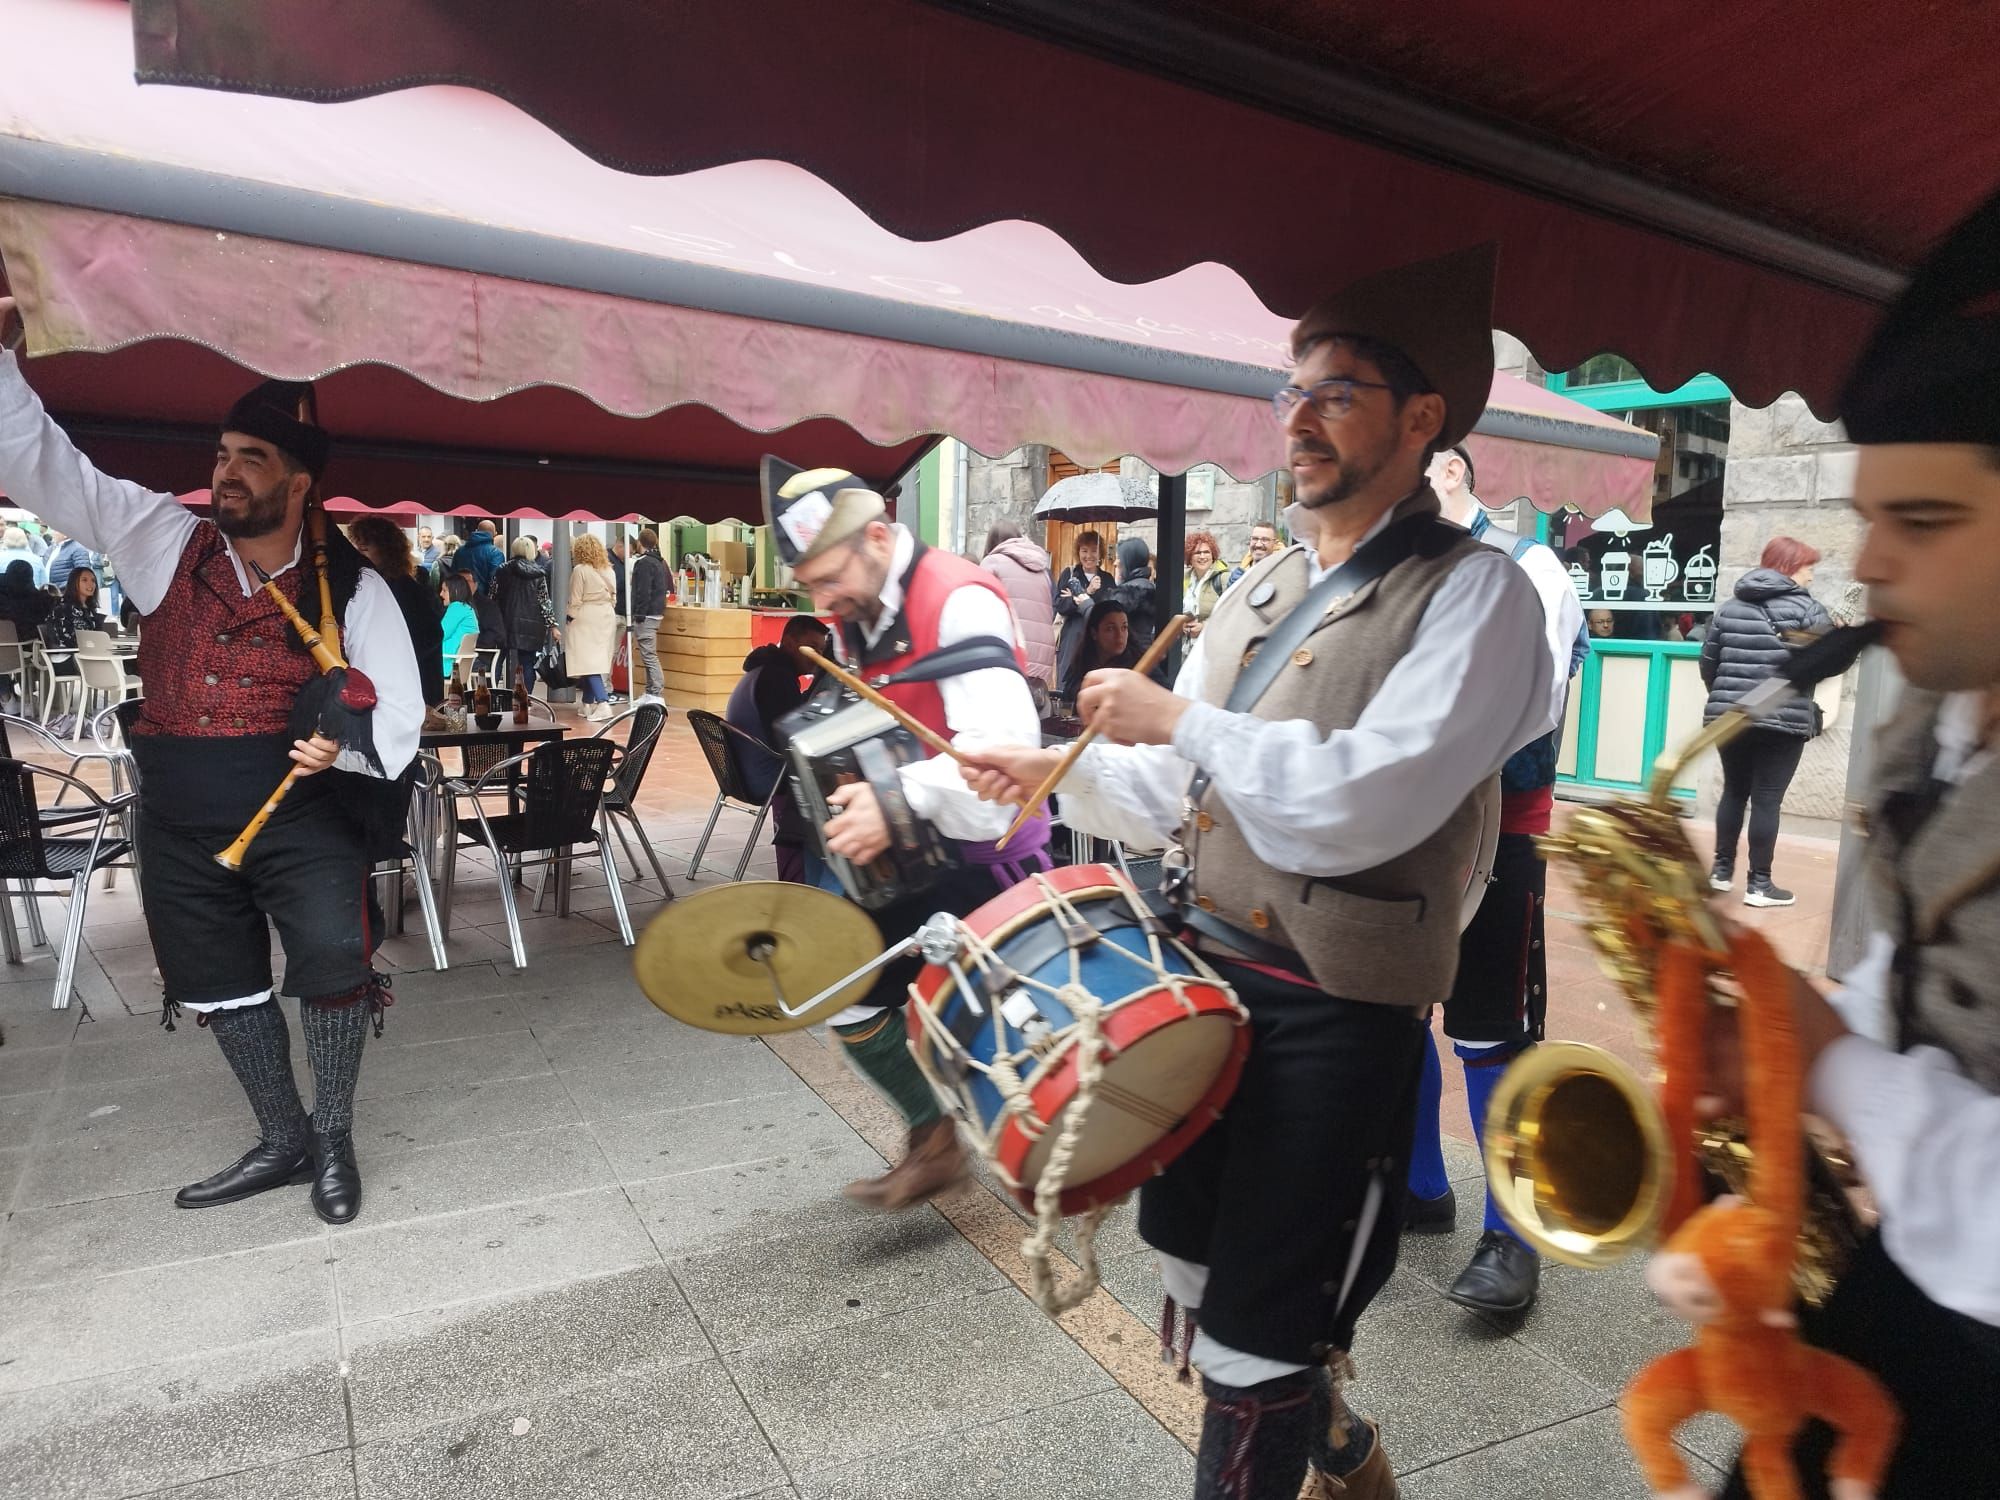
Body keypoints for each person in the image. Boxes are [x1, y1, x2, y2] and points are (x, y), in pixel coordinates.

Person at [961, 245, 1549, 1500]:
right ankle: (1330, 1436)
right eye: (1291, 390)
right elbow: (1189, 802)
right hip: (1205, 979)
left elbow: (1359, 805)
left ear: (1420, 417)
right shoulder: (1263, 584)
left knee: (1257, 1329)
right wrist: (1052, 771)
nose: (1296, 417)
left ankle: (1294, 1419)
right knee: (1182, 1256)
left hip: (1338, 1009)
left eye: (1334, 392)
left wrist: (1178, 722)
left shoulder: (1477, 597)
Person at [1698, 183, 2000, 1500]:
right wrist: (1776, 1017)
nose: (1864, 565)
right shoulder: (1939, 717)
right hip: (1908, 1302)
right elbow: (1925, 967)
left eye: (1920, 522)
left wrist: (1828, 1071)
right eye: (1869, 513)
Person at [0, 293, 422, 1227]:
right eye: (223, 456)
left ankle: (335, 1138)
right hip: (181, 813)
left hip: (301, 813)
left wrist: (341, 745)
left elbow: (395, 709)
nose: (225, 475)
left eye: (251, 461)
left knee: (331, 963)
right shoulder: (159, 535)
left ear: (301, 482)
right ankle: (283, 1137)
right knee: (218, 977)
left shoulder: (352, 585)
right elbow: (45, 466)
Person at [763, 456, 1051, 1213]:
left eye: (830, 579)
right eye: (812, 587)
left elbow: (1005, 775)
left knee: (1007, 1033)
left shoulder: (958, 601)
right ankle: (936, 1137)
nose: (822, 602)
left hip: (986, 857)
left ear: (881, 537)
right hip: (914, 853)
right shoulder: (858, 612)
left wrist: (892, 802)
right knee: (835, 983)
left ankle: (1032, 1147)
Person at [1401, 440, 1589, 1316]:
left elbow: (1532, 707)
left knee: (1488, 1029)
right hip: (1405, 831)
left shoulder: (1530, 565)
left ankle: (1513, 1235)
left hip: (1498, 830)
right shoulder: (1393, 563)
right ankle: (1420, 1185)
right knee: (1398, 1014)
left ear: (1447, 468)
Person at [1699, 535, 1835, 907]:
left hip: (1731, 716)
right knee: (1767, 800)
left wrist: (1729, 696)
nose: (1811, 577)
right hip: (1782, 717)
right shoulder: (1808, 611)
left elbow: (1709, 664)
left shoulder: (1729, 608)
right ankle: (1760, 885)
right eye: (1809, 568)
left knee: (1733, 791)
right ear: (1791, 568)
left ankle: (1721, 872)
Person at [725, 612, 831, 883]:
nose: (817, 655)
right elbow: (791, 738)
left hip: (743, 771)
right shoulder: (776, 677)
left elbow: (784, 719)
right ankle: (810, 880)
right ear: (792, 643)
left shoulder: (766, 669)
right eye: (813, 648)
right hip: (768, 777)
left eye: (822, 650)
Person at [347, 516, 445, 708]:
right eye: (356, 548)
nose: (358, 555)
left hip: (404, 689)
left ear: (387, 551)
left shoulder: (404, 588)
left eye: (365, 549)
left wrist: (393, 661)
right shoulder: (371, 585)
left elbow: (429, 635)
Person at [981, 519, 1058, 690]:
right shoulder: (1042, 568)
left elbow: (979, 609)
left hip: (1008, 655)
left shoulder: (992, 562)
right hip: (1042, 660)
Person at [493, 537, 559, 694]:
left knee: (497, 659)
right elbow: (545, 602)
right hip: (532, 624)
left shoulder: (502, 570)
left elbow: (492, 595)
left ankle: (494, 694)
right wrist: (552, 625)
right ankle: (526, 697)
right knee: (527, 663)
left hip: (504, 621)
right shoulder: (538, 573)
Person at [1053, 528, 1113, 695]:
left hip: (1097, 640)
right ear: (1078, 552)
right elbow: (1060, 605)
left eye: (1094, 551)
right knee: (1067, 685)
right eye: (1084, 550)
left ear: (1100, 553)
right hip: (1072, 637)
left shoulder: (1107, 579)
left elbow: (1109, 609)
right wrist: (1088, 592)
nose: (1089, 556)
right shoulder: (1070, 574)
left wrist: (1076, 597)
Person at [565, 532, 618, 721]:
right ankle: (587, 703)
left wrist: (569, 618)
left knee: (586, 661)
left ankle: (602, 702)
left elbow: (575, 599)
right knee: (594, 659)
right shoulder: (609, 569)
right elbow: (614, 597)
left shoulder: (580, 569)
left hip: (586, 616)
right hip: (606, 615)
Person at [1063, 597, 1140, 696]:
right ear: (1094, 633)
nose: (1119, 635)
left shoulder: (1141, 666)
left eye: (1124, 627)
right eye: (1110, 629)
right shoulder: (1081, 665)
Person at [630, 526, 668, 699]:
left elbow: (642, 591)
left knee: (649, 655)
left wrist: (639, 613)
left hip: (646, 615)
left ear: (640, 542)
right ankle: (651, 691)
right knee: (649, 654)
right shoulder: (659, 562)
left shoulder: (643, 563)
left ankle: (655, 692)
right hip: (656, 612)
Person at [1181, 530, 1231, 637]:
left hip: (1213, 644)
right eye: (1198, 553)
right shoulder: (1183, 579)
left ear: (1213, 555)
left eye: (1207, 552)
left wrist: (1204, 627)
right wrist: (1181, 625)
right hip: (1186, 647)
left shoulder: (1224, 578)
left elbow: (1231, 613)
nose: (1202, 557)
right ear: (1190, 557)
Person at [438, 574, 480, 684]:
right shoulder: (467, 608)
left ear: (455, 591)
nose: (441, 594)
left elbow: (440, 634)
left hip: (446, 661)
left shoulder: (457, 607)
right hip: (456, 662)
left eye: (444, 590)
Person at [1228, 521, 1281, 588]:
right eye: (1255, 539)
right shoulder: (1237, 575)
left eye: (1265, 540)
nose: (1258, 544)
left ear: (1275, 544)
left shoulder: (1281, 574)